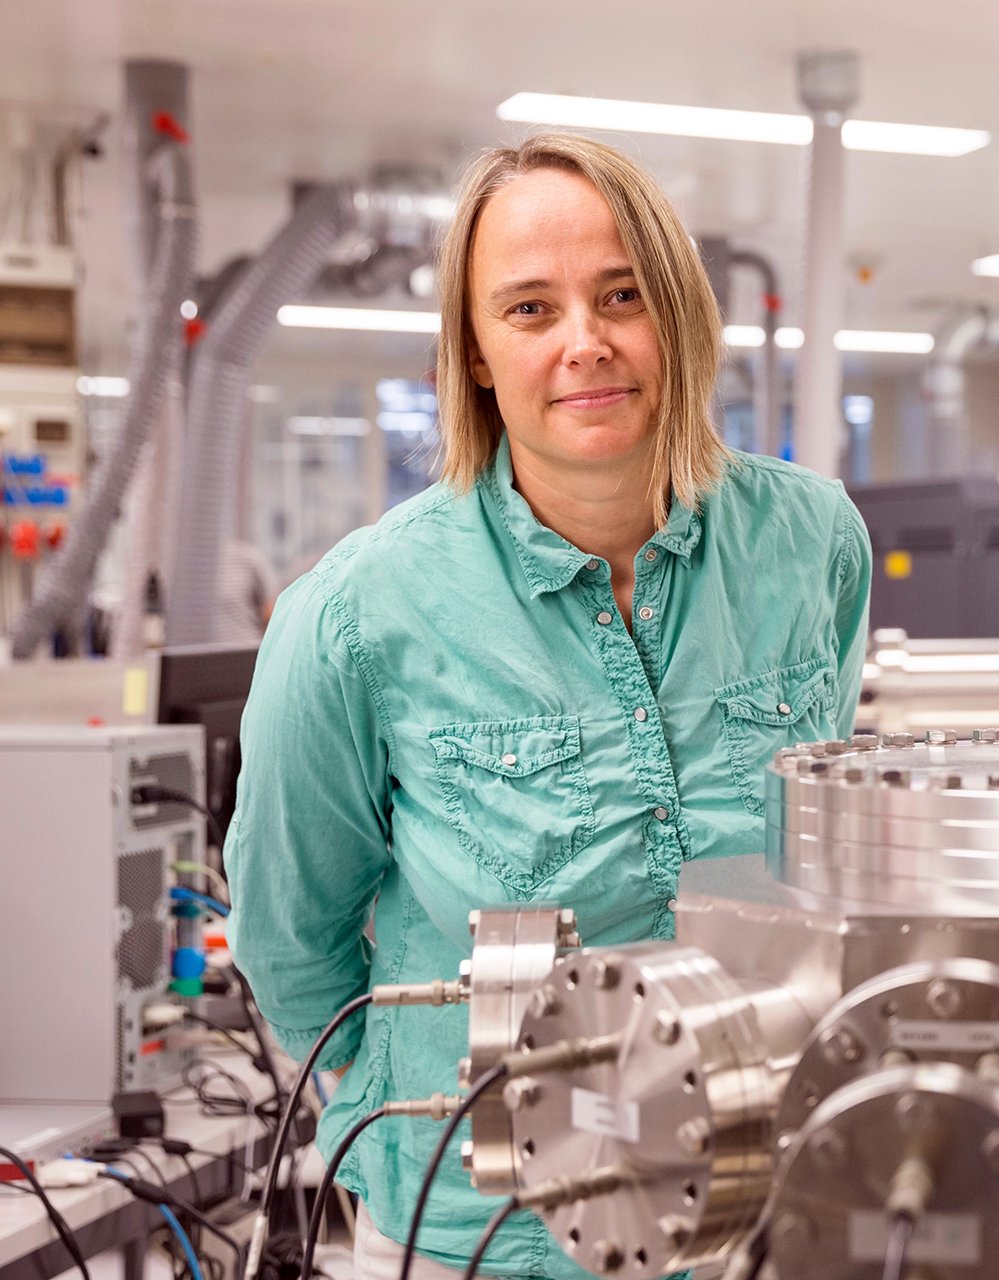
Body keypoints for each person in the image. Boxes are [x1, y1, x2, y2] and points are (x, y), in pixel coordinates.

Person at [224, 132, 871, 1280]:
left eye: (622, 293)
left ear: (675, 308)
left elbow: (819, 864)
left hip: (756, 1220)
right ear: (475, 354)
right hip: (489, 1244)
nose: (587, 341)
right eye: (529, 309)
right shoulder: (356, 618)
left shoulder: (811, 545)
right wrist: (416, 1111)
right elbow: (290, 939)